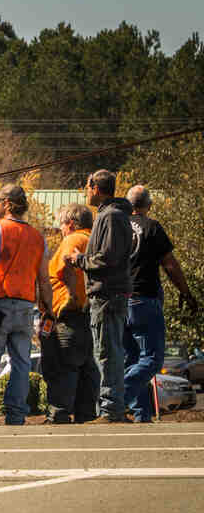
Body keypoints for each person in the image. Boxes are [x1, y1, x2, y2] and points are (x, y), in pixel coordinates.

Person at [0, 184, 54, 426]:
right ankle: (16, 414)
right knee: (22, 362)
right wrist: (48, 307)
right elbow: (44, 279)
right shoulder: (38, 237)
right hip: (25, 307)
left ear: (5, 203)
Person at [122, 185, 199, 422]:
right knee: (152, 359)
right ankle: (116, 396)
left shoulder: (117, 226)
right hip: (144, 298)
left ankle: (140, 414)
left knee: (132, 360)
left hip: (119, 301)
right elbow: (170, 264)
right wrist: (185, 292)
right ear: (149, 205)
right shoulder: (152, 227)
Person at [64, 170, 134, 423]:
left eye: (87, 185)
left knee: (107, 352)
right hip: (108, 294)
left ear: (96, 188)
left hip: (107, 295)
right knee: (107, 351)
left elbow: (107, 258)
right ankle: (110, 407)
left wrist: (78, 259)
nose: (85, 190)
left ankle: (111, 409)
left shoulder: (112, 217)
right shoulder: (109, 215)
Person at [40, 203, 99, 423]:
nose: (61, 230)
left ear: (71, 224)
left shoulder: (73, 240)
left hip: (67, 313)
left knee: (62, 365)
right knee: (85, 366)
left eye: (62, 225)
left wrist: (71, 295)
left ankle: (59, 414)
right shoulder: (93, 239)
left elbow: (65, 265)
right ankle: (85, 414)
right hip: (85, 313)